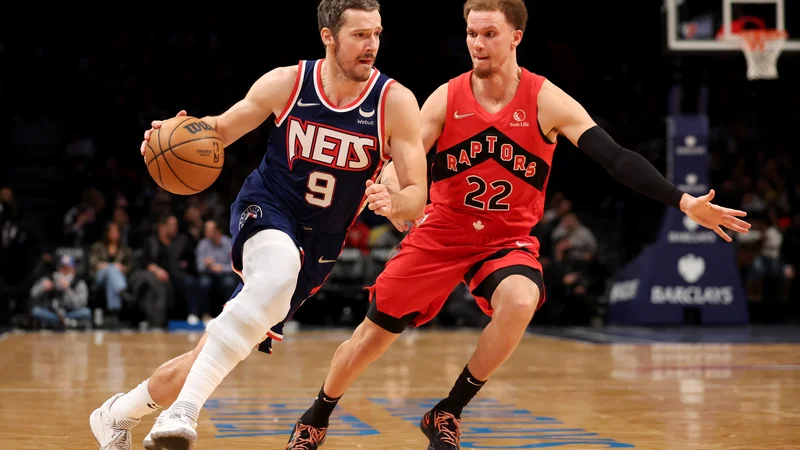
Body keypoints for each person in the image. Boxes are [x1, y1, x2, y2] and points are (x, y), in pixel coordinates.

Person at [283, 1, 753, 449]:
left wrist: (684, 201)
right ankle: (317, 415)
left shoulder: (545, 99)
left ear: (516, 37)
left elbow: (614, 158)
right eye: (471, 34)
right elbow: (403, 157)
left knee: (522, 299)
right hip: (442, 233)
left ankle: (447, 411)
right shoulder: (447, 97)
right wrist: (388, 188)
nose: (478, 43)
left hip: (505, 241)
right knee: (370, 340)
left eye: (489, 34)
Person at [89, 1, 428, 449]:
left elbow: (417, 194)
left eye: (377, 34)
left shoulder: (395, 102)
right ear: (328, 37)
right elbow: (219, 130)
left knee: (208, 355)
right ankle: (182, 416)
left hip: (321, 245)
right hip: (268, 208)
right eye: (360, 35)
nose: (372, 46)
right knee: (277, 270)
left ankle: (116, 414)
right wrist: (174, 132)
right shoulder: (288, 83)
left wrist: (394, 200)